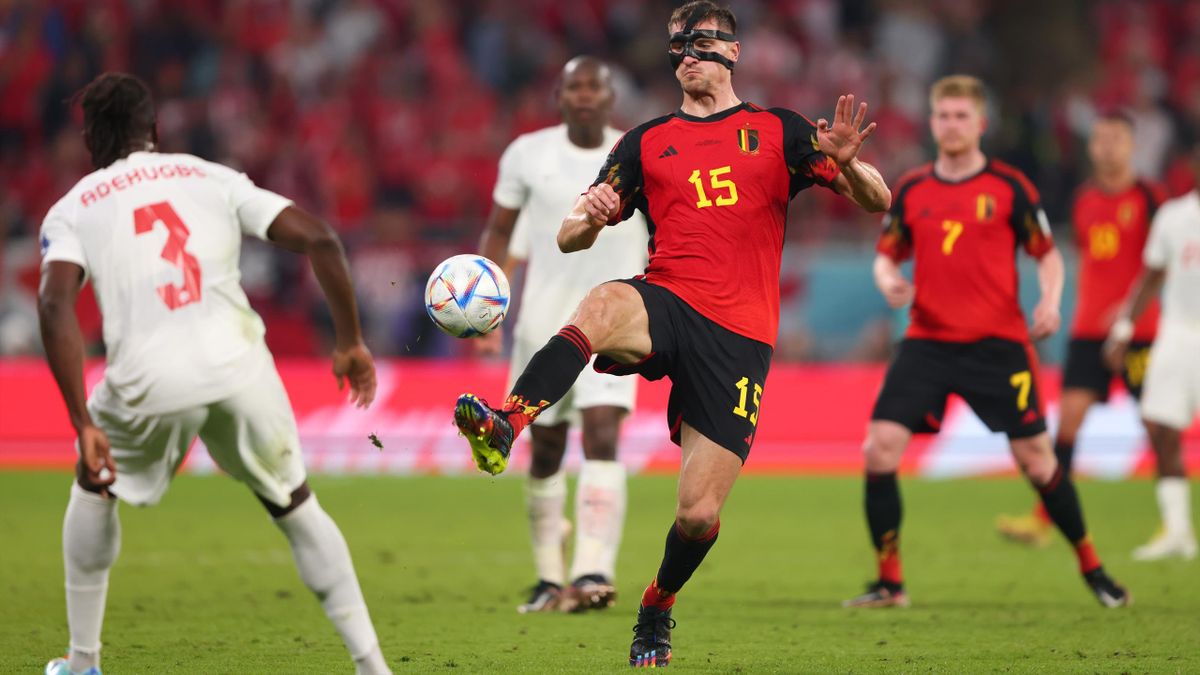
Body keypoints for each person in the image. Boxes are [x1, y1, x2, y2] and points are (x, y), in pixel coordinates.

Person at [454, 1, 890, 666]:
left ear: (734, 51)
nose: (687, 53)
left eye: (700, 41)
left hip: (739, 336)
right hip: (667, 298)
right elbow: (570, 236)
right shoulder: (646, 141)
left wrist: (851, 164)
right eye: (677, 45)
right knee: (600, 302)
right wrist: (592, 215)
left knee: (697, 514)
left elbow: (877, 200)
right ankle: (508, 421)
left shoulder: (779, 131)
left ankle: (656, 604)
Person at [38, 73, 389, 675]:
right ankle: (372, 665)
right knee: (295, 502)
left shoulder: (74, 207)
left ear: (91, 139)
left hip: (149, 379)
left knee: (94, 485)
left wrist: (81, 421)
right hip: (240, 368)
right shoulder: (212, 176)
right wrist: (351, 342)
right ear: (154, 129)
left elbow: (52, 303)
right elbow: (322, 240)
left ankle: (85, 663)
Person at [845, 74, 1130, 609]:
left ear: (980, 123)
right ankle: (890, 583)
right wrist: (888, 281)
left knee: (1039, 463)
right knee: (878, 449)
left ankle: (1094, 569)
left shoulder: (1009, 187)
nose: (951, 125)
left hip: (997, 345)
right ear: (933, 122)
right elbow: (888, 254)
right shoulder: (912, 188)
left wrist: (1049, 300)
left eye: (961, 116)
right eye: (943, 116)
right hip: (927, 342)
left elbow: (1047, 253)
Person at [476, 56, 648, 614]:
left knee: (602, 436)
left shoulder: (636, 152)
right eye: (573, 86)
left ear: (609, 94)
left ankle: (593, 571)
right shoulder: (527, 153)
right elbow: (500, 231)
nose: (583, 95)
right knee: (544, 449)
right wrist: (483, 308)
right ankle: (550, 579)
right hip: (542, 324)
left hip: (615, 323)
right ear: (559, 95)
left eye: (593, 86)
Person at [997, 112, 1164, 546]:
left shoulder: (1149, 198)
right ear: (1092, 147)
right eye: (1101, 139)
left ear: (1132, 145)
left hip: (1140, 330)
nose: (1108, 147)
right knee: (1067, 421)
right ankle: (1043, 518)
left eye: (1117, 139)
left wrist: (1127, 311)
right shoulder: (1084, 200)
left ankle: (1174, 522)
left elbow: (1160, 265)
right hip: (1088, 329)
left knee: (1157, 425)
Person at [1104, 145, 1200, 561]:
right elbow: (1151, 276)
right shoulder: (1174, 216)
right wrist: (1124, 327)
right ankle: (1178, 531)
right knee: (1159, 426)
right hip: (1178, 333)